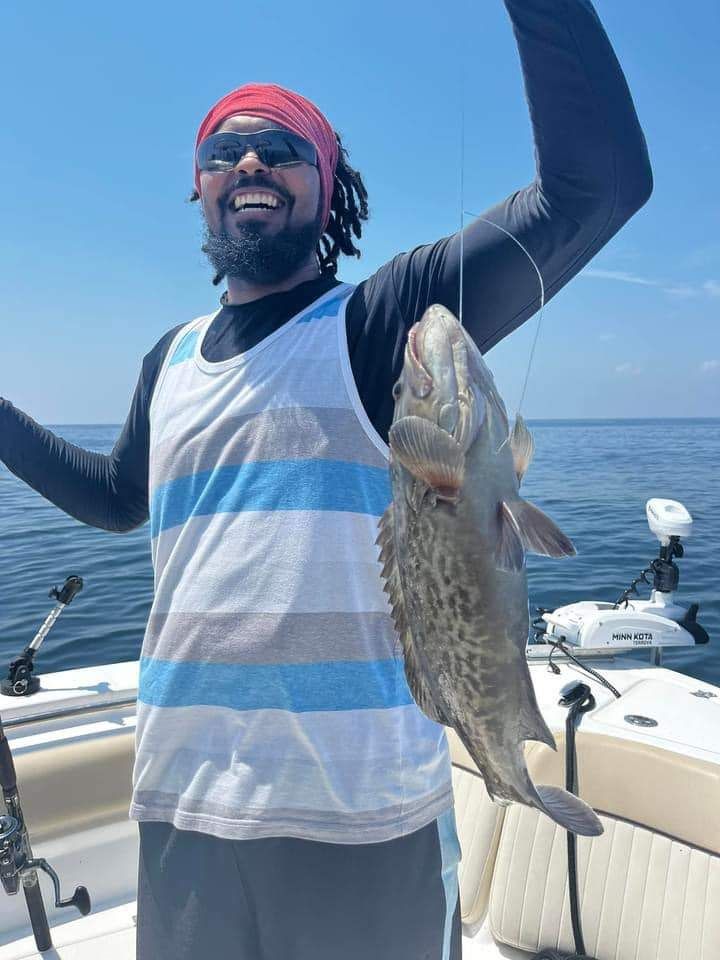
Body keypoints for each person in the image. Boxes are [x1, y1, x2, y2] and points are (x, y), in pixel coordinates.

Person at [0, 1, 652, 957]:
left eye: (279, 148)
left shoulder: (380, 323)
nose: (250, 163)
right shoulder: (169, 358)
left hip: (360, 818)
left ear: (327, 182)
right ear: (201, 186)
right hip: (180, 806)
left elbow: (595, 189)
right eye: (225, 150)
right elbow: (113, 499)